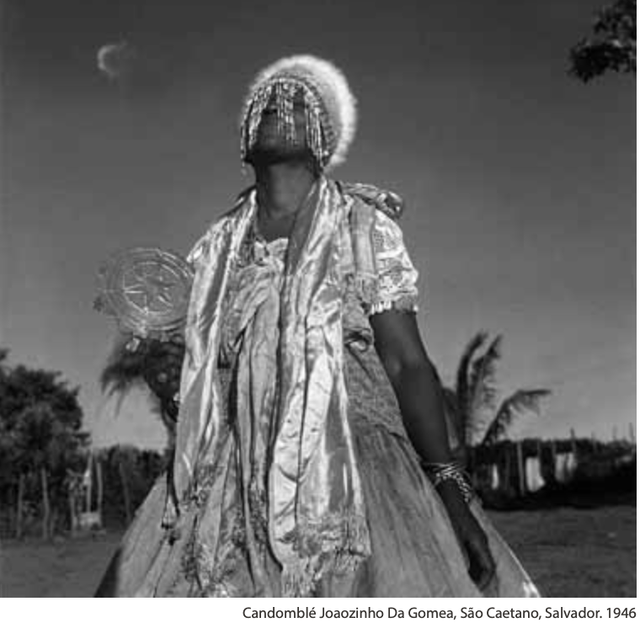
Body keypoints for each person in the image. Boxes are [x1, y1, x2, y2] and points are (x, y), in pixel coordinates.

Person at [96, 54, 539, 598]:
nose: (279, 102)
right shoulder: (215, 249)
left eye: (298, 100)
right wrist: (173, 383)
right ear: (243, 140)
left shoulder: (360, 225)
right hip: (228, 477)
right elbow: (200, 381)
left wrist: (449, 487)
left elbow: (406, 363)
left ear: (324, 138)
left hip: (354, 465)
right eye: (267, 100)